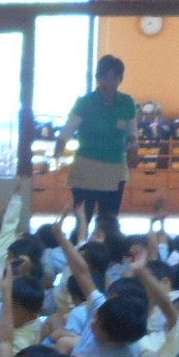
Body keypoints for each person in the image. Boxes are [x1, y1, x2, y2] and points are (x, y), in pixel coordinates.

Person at [53, 54, 136, 234]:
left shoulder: (127, 103)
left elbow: (132, 134)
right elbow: (67, 130)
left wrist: (134, 150)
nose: (110, 82)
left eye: (115, 77)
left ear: (120, 79)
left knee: (109, 223)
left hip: (115, 170)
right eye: (105, 77)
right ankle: (78, 249)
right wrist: (59, 147)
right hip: (86, 168)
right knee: (83, 220)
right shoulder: (85, 102)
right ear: (98, 78)